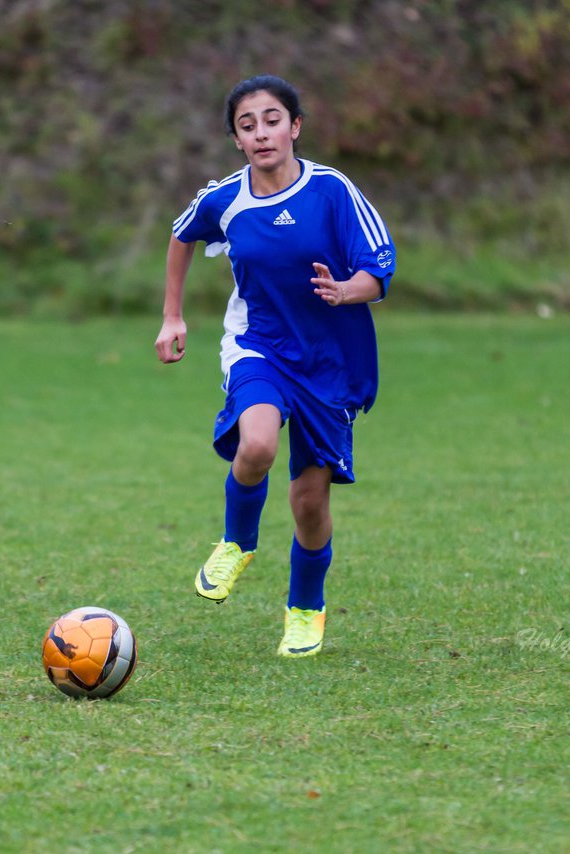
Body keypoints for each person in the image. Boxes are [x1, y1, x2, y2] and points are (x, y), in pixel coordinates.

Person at [154, 75, 395, 658]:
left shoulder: (332, 190)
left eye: (271, 120)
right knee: (256, 445)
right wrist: (172, 316)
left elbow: (379, 266)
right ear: (236, 139)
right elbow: (182, 235)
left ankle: (305, 609)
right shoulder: (225, 200)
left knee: (310, 502)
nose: (261, 133)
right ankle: (237, 541)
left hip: (330, 364)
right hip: (257, 344)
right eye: (246, 125)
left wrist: (345, 291)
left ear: (294, 127)